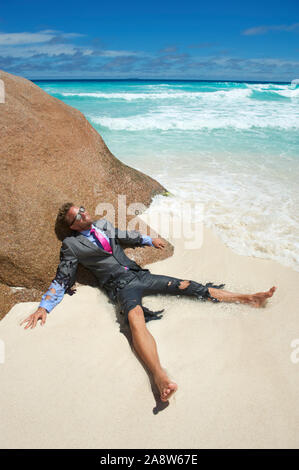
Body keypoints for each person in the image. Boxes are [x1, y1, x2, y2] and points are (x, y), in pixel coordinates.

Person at [21, 203, 277, 402]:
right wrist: (44, 306)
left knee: (187, 285)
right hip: (119, 286)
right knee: (134, 319)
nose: (83, 215)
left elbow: (125, 235)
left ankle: (248, 298)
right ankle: (159, 375)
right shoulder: (71, 245)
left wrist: (148, 239)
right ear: (73, 227)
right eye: (77, 217)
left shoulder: (103, 225)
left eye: (83, 210)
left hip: (140, 275)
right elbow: (63, 277)